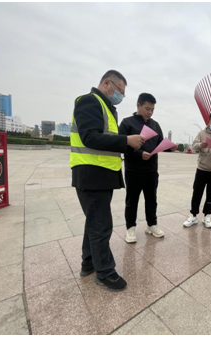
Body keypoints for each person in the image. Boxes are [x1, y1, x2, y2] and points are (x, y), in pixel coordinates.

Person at [70, 70, 145, 291]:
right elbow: (90, 137)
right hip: (91, 175)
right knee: (102, 225)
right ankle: (105, 272)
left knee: (94, 222)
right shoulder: (89, 102)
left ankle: (89, 263)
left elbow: (106, 140)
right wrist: (126, 140)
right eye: (120, 90)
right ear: (107, 83)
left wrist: (128, 144)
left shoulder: (107, 108)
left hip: (101, 175)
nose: (121, 96)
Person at [118, 93, 176, 243]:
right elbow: (121, 145)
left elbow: (159, 144)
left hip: (151, 170)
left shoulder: (155, 125)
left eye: (152, 110)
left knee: (152, 199)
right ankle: (130, 228)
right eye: (147, 108)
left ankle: (151, 225)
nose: (150, 112)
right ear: (138, 105)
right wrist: (138, 154)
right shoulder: (127, 123)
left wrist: (170, 147)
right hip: (133, 170)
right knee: (132, 200)